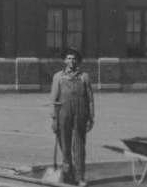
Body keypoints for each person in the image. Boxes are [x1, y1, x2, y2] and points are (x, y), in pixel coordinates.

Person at [49, 47, 94, 187]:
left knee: (79, 146)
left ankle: (80, 177)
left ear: (78, 61)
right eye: (68, 58)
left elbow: (90, 99)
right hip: (63, 114)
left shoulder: (84, 77)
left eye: (74, 58)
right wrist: (54, 119)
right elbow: (53, 100)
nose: (71, 61)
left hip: (80, 114)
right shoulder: (58, 77)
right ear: (64, 60)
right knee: (65, 146)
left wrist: (91, 117)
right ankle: (68, 176)